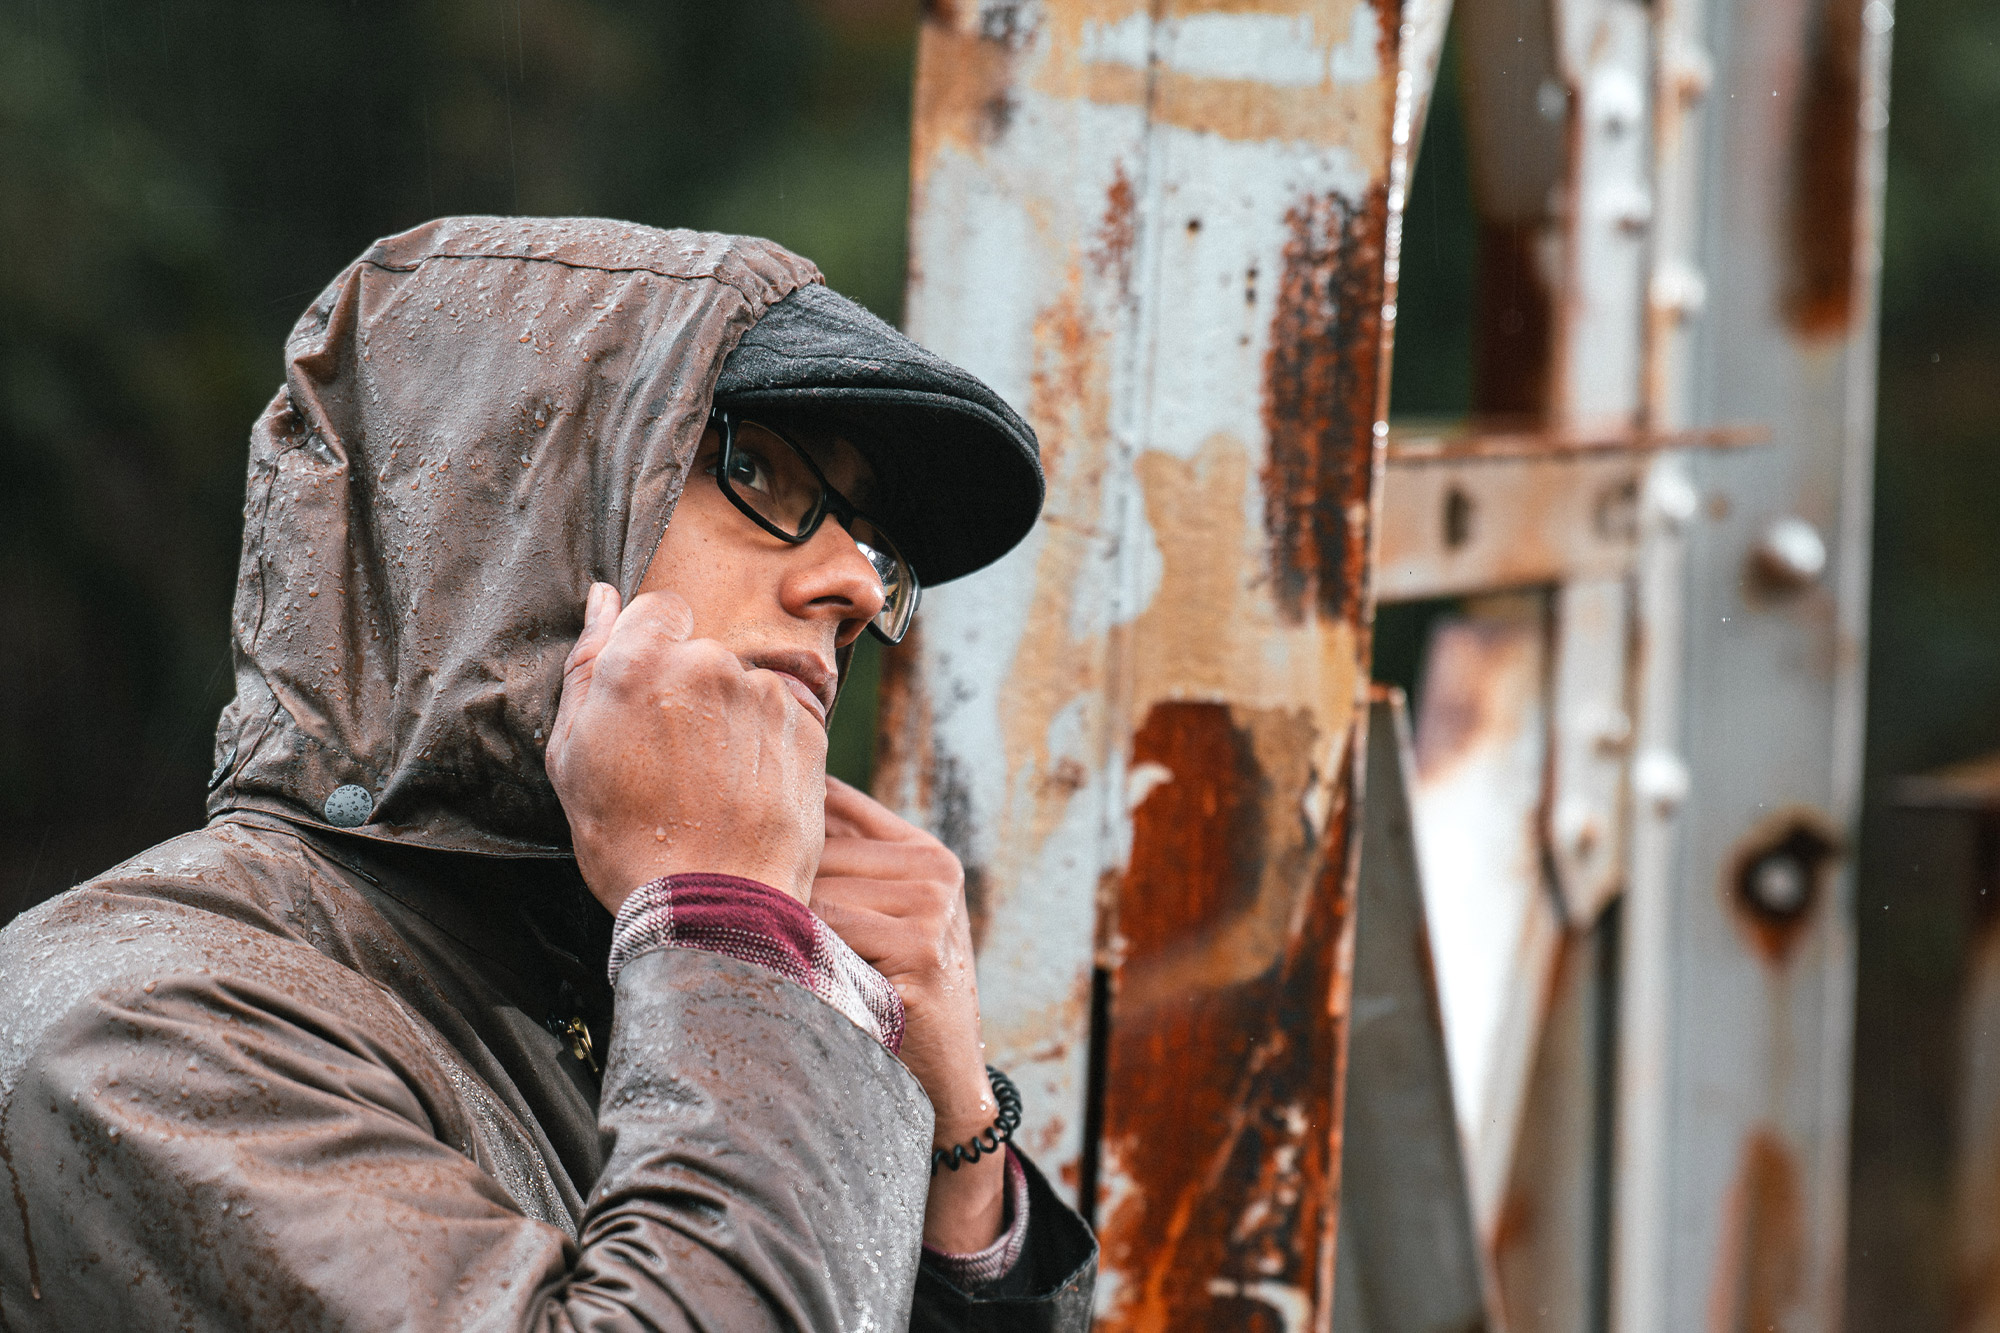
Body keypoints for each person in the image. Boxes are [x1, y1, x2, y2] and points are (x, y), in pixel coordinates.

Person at [0, 217, 1096, 1330]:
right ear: (511, 504)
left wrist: (957, 1158)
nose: (854, 586)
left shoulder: (640, 1005)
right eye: (758, 467)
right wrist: (731, 936)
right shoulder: (145, 1029)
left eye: (871, 543)